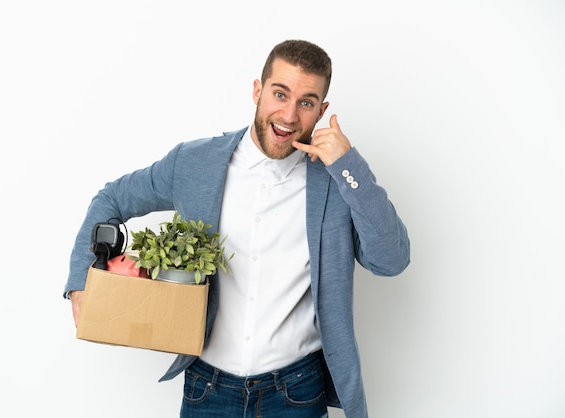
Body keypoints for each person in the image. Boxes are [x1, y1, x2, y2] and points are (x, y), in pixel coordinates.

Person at [64, 39, 410, 418]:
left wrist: (350, 167)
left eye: (306, 102)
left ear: (321, 110)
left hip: (296, 392)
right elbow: (112, 198)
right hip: (207, 389)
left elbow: (390, 260)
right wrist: (82, 280)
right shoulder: (195, 163)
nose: (290, 114)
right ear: (257, 91)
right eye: (280, 94)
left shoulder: (338, 179)